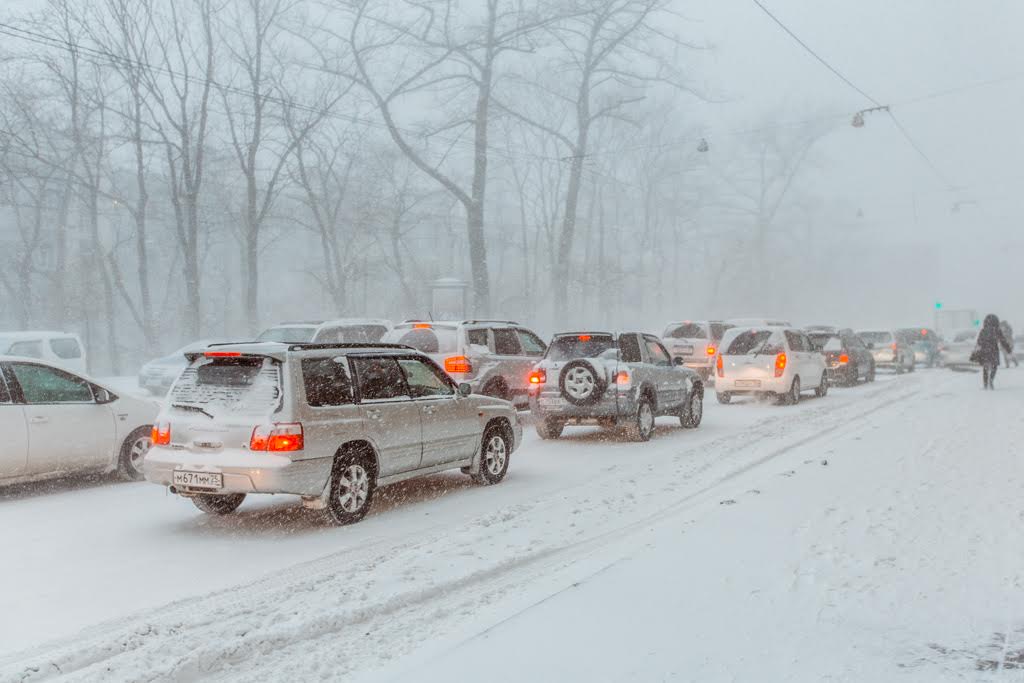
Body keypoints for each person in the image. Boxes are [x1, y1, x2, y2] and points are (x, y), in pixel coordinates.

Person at [976, 314, 1012, 389]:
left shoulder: (983, 330)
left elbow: (979, 341)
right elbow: (1003, 341)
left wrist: (981, 346)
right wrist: (1008, 349)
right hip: (993, 350)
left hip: (985, 350)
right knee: (994, 366)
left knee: (985, 367)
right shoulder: (997, 330)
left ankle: (985, 384)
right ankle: (991, 380)